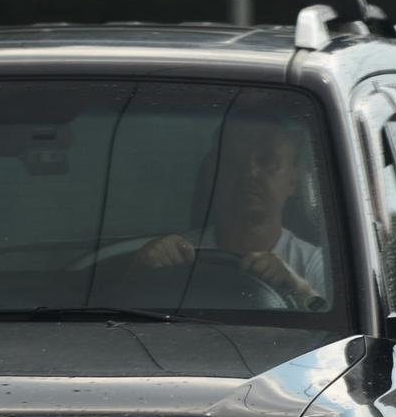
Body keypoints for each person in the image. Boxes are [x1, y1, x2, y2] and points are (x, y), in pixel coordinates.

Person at [132, 106, 327, 308]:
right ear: (213, 176)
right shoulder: (178, 257)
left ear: (293, 181)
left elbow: (333, 330)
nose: (250, 171)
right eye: (234, 160)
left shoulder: (316, 266)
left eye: (268, 160)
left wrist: (299, 288)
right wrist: (142, 271)